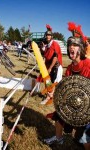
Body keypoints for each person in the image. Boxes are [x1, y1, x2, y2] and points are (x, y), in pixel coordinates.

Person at [44, 22, 90, 150]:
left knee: (84, 138)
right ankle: (59, 139)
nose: (71, 47)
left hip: (87, 108)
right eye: (70, 44)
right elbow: (65, 86)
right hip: (73, 102)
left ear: (80, 49)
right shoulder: (70, 68)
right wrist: (54, 92)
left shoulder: (88, 65)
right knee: (59, 116)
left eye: (75, 44)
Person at [39, 24, 63, 105]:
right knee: (48, 82)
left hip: (55, 66)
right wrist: (41, 48)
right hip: (50, 66)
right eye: (47, 35)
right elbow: (45, 55)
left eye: (49, 35)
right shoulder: (47, 46)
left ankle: (49, 98)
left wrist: (50, 68)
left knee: (51, 83)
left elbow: (55, 57)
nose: (48, 36)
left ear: (51, 36)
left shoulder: (54, 44)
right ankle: (50, 96)